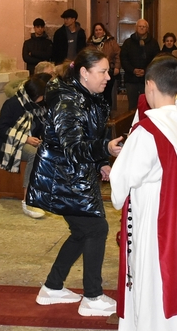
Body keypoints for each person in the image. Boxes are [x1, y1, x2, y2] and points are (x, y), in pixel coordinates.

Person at [110, 56, 177, 331]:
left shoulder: (148, 130)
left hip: (152, 212)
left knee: (151, 272)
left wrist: (114, 174)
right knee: (171, 273)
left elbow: (124, 178)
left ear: (149, 86)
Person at [26, 48, 124, 316]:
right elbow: (73, 147)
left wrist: (101, 162)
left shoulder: (84, 95)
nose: (107, 77)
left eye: (107, 70)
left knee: (83, 231)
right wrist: (105, 148)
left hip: (74, 175)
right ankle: (92, 297)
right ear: (84, 73)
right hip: (63, 177)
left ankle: (52, 287)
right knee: (95, 229)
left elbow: (86, 138)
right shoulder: (68, 101)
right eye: (102, 71)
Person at [0, 73, 52, 219]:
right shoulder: (12, 104)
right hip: (11, 144)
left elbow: (41, 128)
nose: (43, 99)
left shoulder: (37, 105)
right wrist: (26, 138)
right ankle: (28, 199)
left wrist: (43, 139)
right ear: (33, 95)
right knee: (35, 154)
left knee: (49, 149)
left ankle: (46, 192)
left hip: (29, 142)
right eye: (41, 96)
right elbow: (1, 129)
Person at [120, 19, 160, 113]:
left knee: (147, 105)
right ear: (136, 28)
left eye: (144, 26)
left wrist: (146, 71)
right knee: (132, 107)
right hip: (131, 79)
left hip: (147, 79)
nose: (142, 28)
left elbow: (156, 59)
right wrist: (133, 70)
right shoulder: (128, 43)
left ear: (147, 29)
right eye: (140, 26)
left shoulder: (153, 43)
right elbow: (124, 59)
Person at [88, 22, 121, 106]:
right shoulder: (90, 43)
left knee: (107, 94)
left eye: (100, 30)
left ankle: (108, 113)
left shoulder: (110, 41)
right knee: (96, 94)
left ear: (104, 31)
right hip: (94, 72)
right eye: (96, 30)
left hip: (108, 71)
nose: (98, 32)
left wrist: (117, 67)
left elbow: (118, 54)